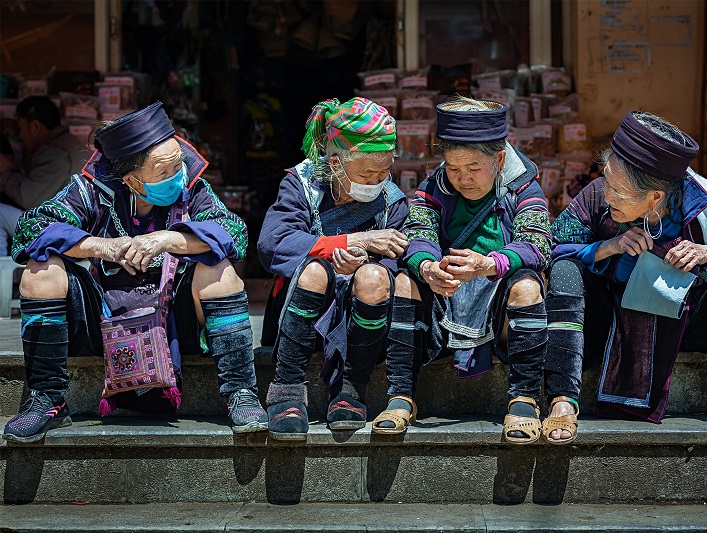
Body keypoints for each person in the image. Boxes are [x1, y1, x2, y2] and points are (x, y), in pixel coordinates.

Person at [1, 101, 268, 443]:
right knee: (40, 271)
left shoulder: (193, 189)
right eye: (164, 171)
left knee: (220, 270)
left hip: (175, 319)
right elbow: (31, 229)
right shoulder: (91, 191)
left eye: (179, 164)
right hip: (103, 318)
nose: (178, 174)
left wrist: (169, 239)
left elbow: (234, 233)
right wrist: (101, 246)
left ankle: (240, 393)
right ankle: (48, 399)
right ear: (130, 179)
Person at [544, 110, 707, 445]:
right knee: (564, 270)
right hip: (611, 320)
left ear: (655, 198)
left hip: (685, 316)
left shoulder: (703, 203)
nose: (607, 195)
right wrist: (608, 247)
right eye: (606, 180)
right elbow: (549, 247)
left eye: (619, 191)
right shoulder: (595, 195)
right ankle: (562, 400)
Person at [372, 96, 553, 444]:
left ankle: (524, 398)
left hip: (498, 297)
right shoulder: (434, 186)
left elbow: (537, 243)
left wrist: (489, 264)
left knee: (528, 286)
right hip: (446, 295)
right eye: (454, 167)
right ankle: (400, 396)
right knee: (405, 280)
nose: (462, 178)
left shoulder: (523, 187)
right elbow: (417, 233)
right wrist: (427, 267)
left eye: (473, 167)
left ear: (499, 159)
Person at [257, 97, 409, 440]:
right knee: (314, 270)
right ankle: (287, 389)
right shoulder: (301, 184)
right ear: (337, 163)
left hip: (362, 318)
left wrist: (363, 263)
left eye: (384, 172)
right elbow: (273, 245)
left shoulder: (392, 199)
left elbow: (398, 256)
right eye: (366, 173)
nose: (375, 180)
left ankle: (352, 390)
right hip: (304, 306)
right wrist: (347, 244)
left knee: (374, 278)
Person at [0, 96, 89, 255]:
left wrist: (6, 169)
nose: (20, 136)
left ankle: (2, 274)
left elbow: (29, 198)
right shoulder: (67, 142)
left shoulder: (54, 152)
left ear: (35, 126)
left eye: (20, 128)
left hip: (64, 229)